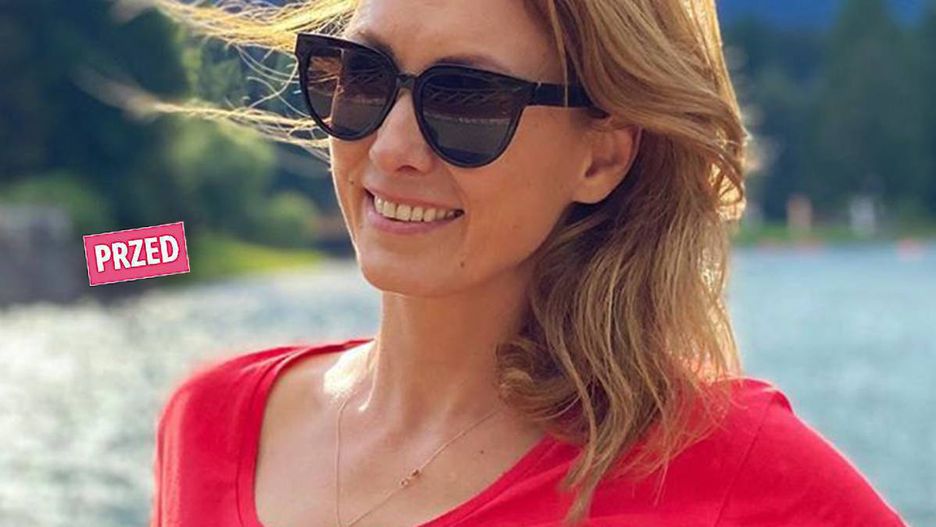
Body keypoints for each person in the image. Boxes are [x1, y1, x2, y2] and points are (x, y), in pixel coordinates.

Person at [144, 0, 909, 526]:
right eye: (363, 76)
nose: (392, 147)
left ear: (601, 157)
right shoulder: (212, 421)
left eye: (468, 100)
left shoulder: (739, 474)